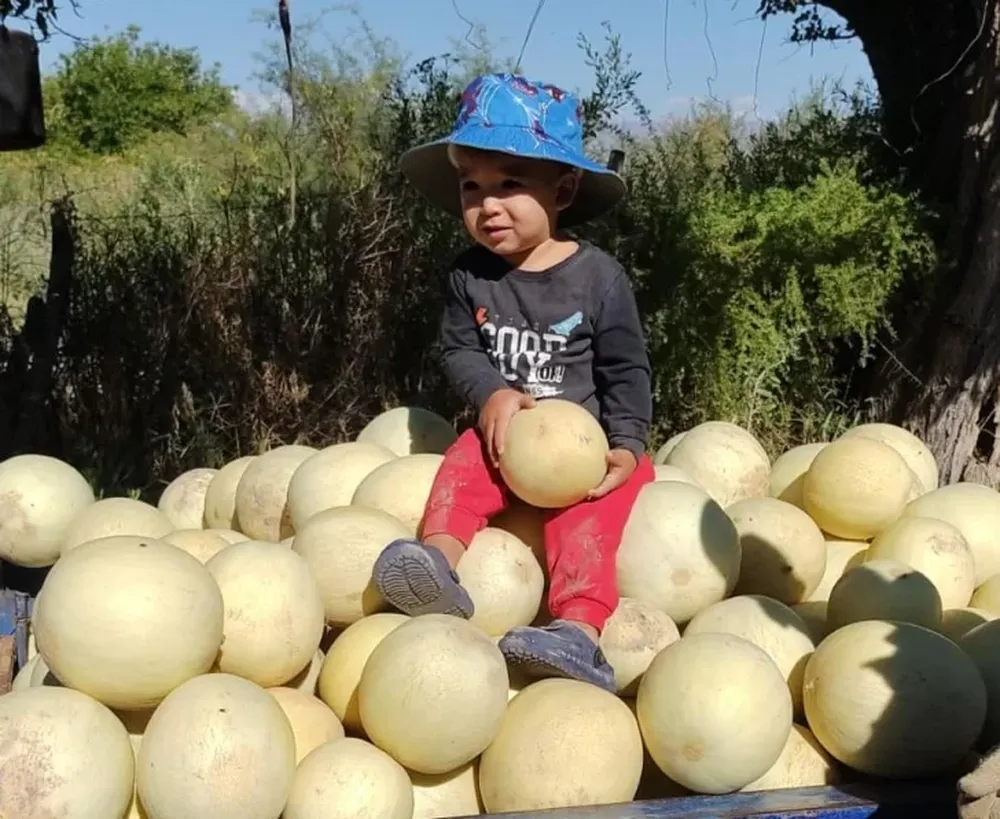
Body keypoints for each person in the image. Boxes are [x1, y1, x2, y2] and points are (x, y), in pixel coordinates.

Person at [371, 72, 654, 691]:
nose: (487, 204)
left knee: (588, 530)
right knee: (463, 463)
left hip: (587, 456)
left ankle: (578, 635)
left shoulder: (599, 279)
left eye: (510, 185)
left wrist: (627, 445)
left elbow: (626, 369)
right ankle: (436, 567)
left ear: (564, 189)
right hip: (508, 441)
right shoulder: (469, 276)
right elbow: (459, 348)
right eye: (472, 187)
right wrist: (490, 393)